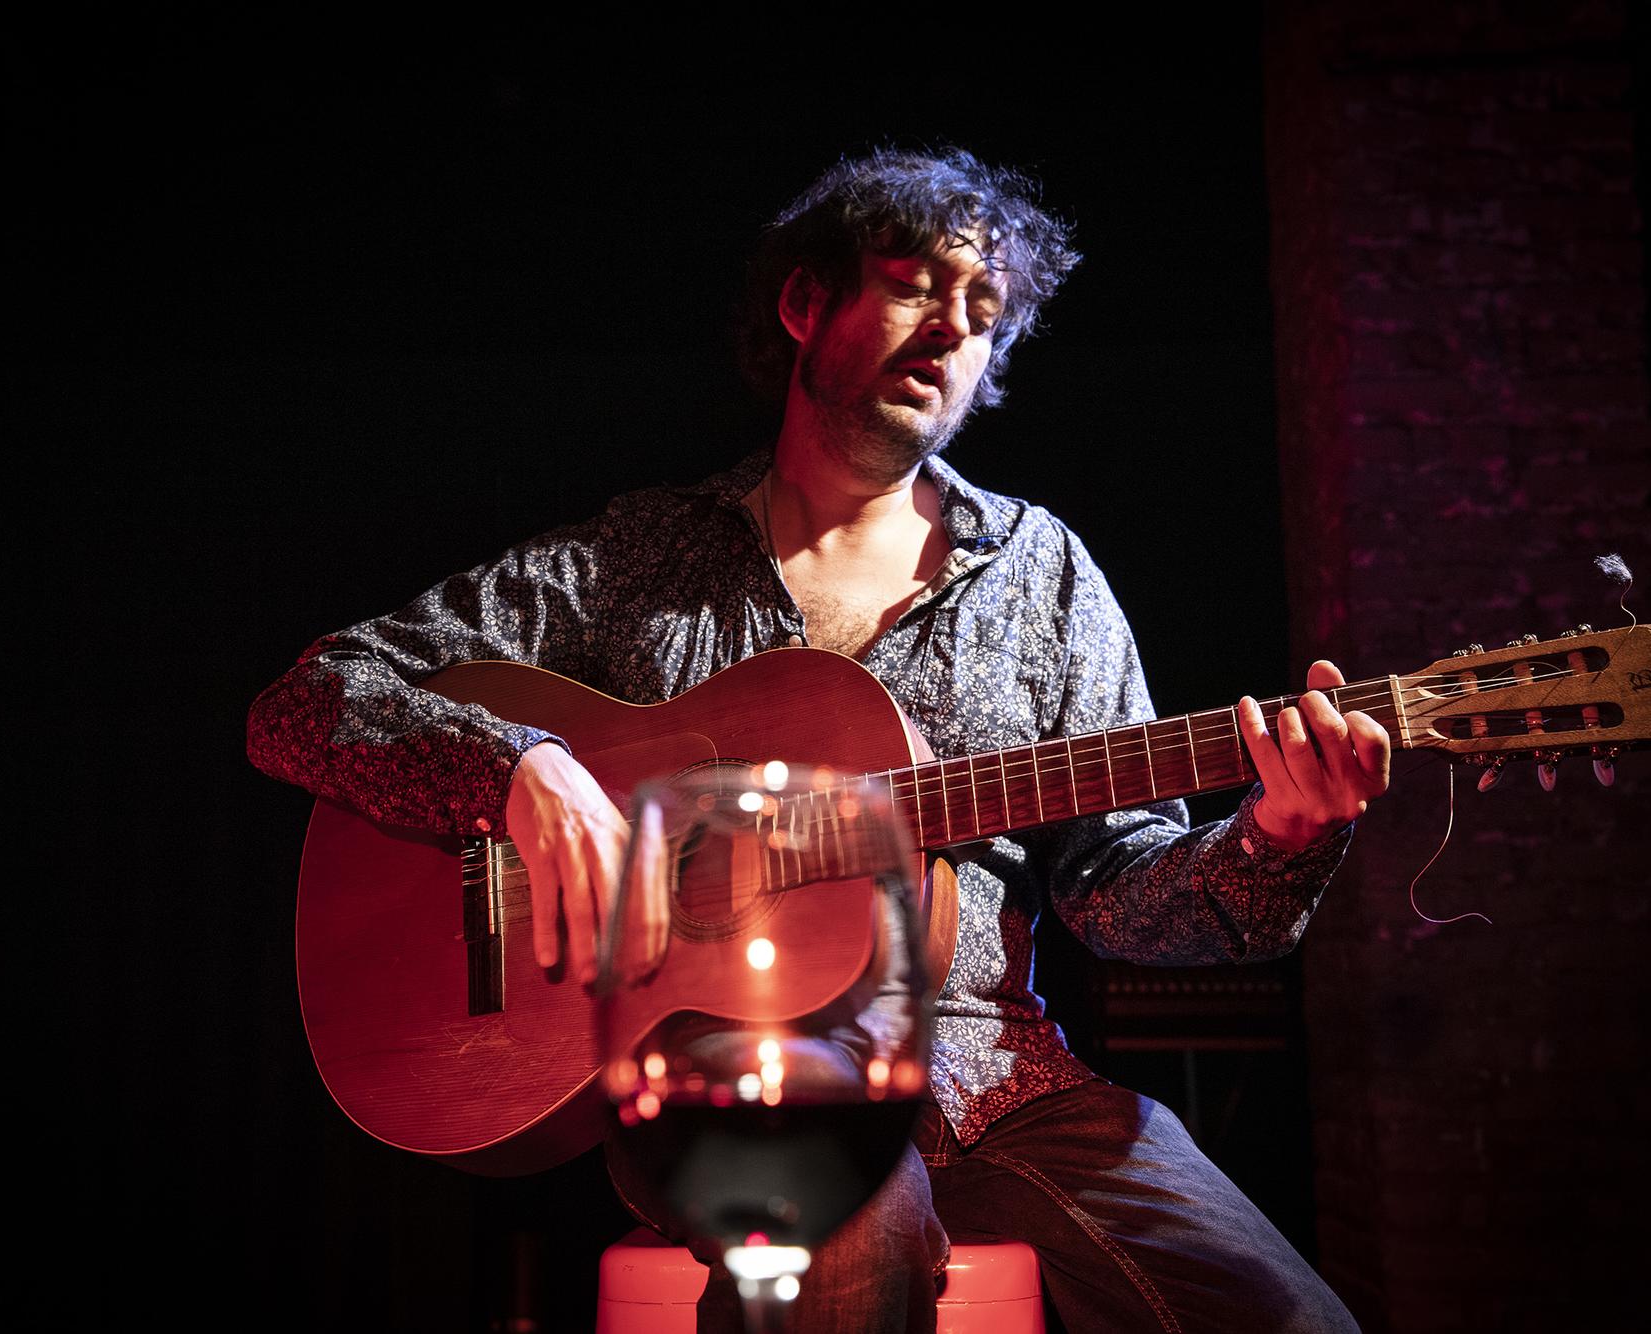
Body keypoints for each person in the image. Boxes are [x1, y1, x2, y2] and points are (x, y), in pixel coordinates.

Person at [249, 147, 1389, 1332]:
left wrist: (1274, 834)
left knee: (1287, 1313)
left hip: (995, 1074)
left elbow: (1114, 891)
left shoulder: (1043, 574)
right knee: (842, 1228)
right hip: (721, 1065)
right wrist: (520, 771)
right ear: (804, 304)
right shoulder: (640, 557)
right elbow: (307, 698)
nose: (950, 330)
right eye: (915, 286)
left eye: (983, 314)